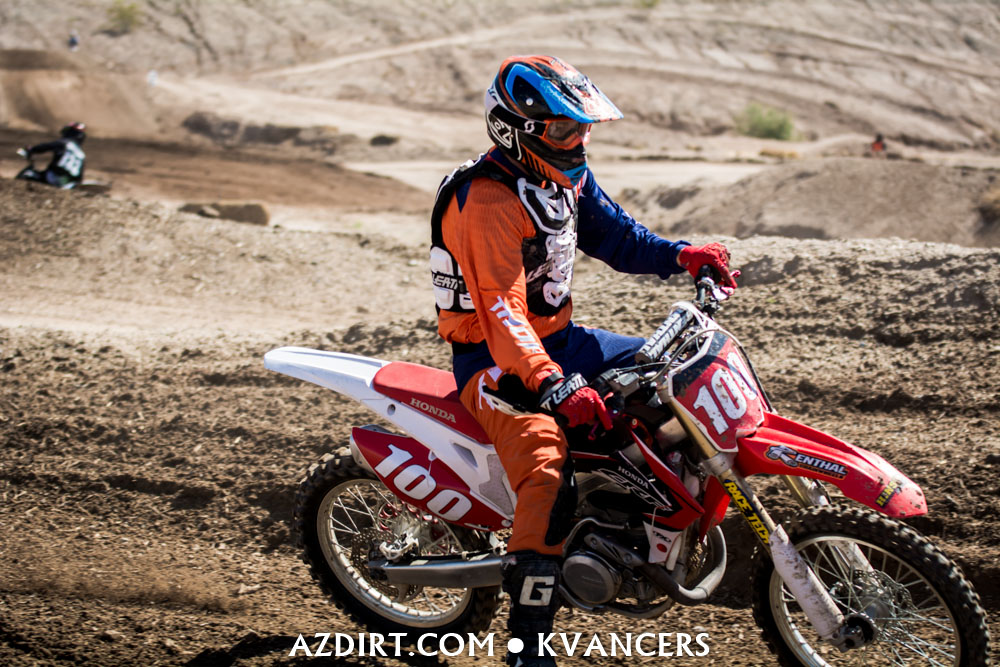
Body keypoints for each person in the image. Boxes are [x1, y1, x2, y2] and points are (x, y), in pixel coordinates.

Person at [429, 55, 736, 666]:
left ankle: (638, 527)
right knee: (547, 473)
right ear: (518, 130)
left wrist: (683, 256)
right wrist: (551, 382)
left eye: (584, 128)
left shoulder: (559, 176)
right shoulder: (487, 200)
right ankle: (528, 644)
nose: (580, 141)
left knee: (677, 376)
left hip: (561, 340)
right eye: (566, 129)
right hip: (495, 361)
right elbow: (503, 313)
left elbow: (616, 236)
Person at [21, 122, 87, 188]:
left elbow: (46, 146)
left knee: (28, 174)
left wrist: (32, 149)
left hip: (54, 177)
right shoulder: (81, 154)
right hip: (68, 184)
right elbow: (80, 176)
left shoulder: (65, 143)